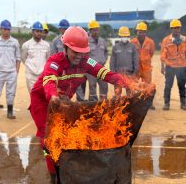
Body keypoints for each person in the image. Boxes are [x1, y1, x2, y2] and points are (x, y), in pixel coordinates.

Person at [29, 26, 131, 183]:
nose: (78, 55)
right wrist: (53, 97)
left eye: (82, 51)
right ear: (65, 48)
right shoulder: (54, 62)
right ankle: (53, 175)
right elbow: (49, 80)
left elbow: (104, 73)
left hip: (62, 102)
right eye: (75, 51)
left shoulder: (85, 61)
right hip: (42, 102)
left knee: (64, 135)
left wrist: (125, 82)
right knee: (48, 139)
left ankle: (62, 165)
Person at [160, 19, 186, 111]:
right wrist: (163, 67)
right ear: (171, 29)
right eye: (174, 28)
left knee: (182, 85)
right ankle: (166, 104)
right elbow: (163, 55)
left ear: (180, 28)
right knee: (168, 85)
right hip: (170, 66)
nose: (176, 30)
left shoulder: (185, 39)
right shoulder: (166, 40)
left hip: (182, 66)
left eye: (177, 28)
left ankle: (183, 104)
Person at [131, 22, 155, 109]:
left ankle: (148, 103)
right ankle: (136, 102)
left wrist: (145, 60)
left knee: (148, 85)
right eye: (139, 31)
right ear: (137, 32)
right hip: (136, 68)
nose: (141, 33)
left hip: (146, 68)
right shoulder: (132, 42)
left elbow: (151, 53)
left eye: (143, 31)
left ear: (146, 32)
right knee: (135, 85)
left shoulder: (150, 42)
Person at [21, 21, 50, 92]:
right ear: (33, 32)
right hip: (31, 75)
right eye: (37, 31)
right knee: (33, 94)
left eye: (41, 31)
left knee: (43, 95)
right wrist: (31, 67)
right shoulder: (26, 45)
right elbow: (23, 58)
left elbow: (48, 59)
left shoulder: (46, 45)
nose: (39, 33)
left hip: (42, 75)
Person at [110, 26, 138, 96]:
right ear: (119, 36)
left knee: (130, 94)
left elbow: (135, 60)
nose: (124, 37)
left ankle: (130, 106)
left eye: (126, 36)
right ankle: (118, 107)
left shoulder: (133, 47)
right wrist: (113, 74)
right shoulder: (115, 47)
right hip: (118, 74)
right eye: (123, 36)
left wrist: (134, 73)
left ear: (128, 36)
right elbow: (112, 62)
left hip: (129, 74)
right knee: (117, 94)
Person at [87, 20, 108, 101]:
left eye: (97, 30)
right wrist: (94, 64)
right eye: (94, 30)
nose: (96, 32)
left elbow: (106, 52)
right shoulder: (87, 42)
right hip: (91, 69)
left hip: (101, 68)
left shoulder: (102, 41)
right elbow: (85, 56)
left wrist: (104, 60)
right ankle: (93, 104)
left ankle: (103, 103)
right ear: (90, 31)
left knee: (104, 85)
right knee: (92, 86)